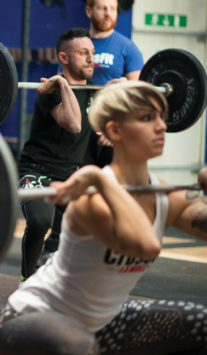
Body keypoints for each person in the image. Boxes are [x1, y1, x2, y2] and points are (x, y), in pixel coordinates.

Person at [0, 81, 207, 355]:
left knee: (200, 324)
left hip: (103, 325)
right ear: (114, 130)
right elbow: (144, 245)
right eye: (146, 118)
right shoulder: (90, 201)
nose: (161, 126)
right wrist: (99, 178)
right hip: (31, 319)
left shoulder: (168, 197)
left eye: (160, 118)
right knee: (80, 346)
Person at [41, 0, 145, 261]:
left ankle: (108, 248)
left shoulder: (128, 48)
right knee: (72, 186)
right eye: (102, 7)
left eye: (112, 8)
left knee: (112, 189)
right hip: (80, 132)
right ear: (89, 11)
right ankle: (54, 246)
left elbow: (136, 97)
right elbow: (62, 85)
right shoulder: (76, 44)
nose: (109, 13)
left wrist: (116, 128)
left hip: (110, 133)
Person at [16, 28, 95, 281]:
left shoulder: (97, 91)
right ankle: (26, 281)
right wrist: (61, 82)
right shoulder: (49, 92)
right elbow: (73, 124)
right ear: (64, 58)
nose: (91, 59)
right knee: (39, 221)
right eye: (83, 53)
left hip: (70, 176)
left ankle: (59, 269)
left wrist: (125, 88)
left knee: (96, 223)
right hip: (36, 171)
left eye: (92, 53)